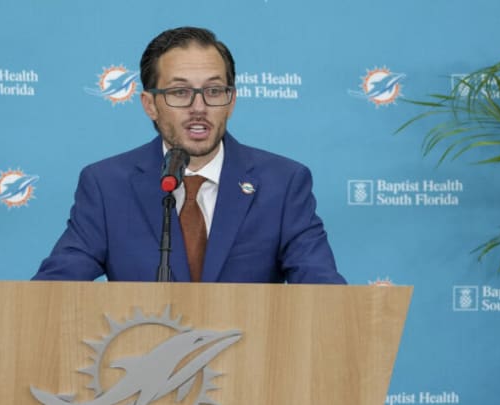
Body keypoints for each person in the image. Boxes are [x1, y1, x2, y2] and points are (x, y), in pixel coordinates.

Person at [32, 27, 346, 284]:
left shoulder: (283, 183)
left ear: (231, 100)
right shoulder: (106, 185)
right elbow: (54, 289)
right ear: (149, 104)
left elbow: (323, 293)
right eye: (180, 92)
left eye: (213, 91)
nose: (199, 108)